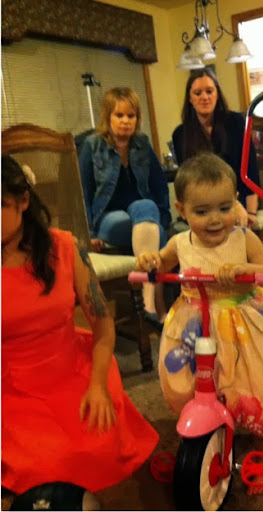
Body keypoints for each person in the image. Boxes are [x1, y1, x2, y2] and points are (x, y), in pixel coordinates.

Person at [136, 152, 263, 495]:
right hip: (194, 323)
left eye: (225, 208)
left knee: (261, 385)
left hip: (241, 322)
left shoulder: (243, 238)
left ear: (236, 202)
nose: (215, 220)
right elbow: (160, 264)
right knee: (193, 384)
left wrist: (247, 270)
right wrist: (150, 260)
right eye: (202, 212)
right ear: (182, 210)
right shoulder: (179, 243)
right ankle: (205, 429)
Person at [1, 155, 158, 502]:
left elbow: (102, 322)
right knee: (46, 462)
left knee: (98, 445)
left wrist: (98, 385)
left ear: (24, 201)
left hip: (71, 369)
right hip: (10, 386)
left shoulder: (65, 247)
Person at [79, 86, 171, 324]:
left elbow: (159, 184)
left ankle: (149, 301)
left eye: (131, 116)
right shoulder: (92, 145)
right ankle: (156, 303)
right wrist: (89, 234)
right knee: (156, 232)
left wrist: (164, 217)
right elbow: (82, 193)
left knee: (148, 210)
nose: (125, 121)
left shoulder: (142, 143)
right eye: (119, 115)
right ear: (107, 116)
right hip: (107, 218)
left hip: (141, 216)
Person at [172, 69, 260, 228]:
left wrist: (251, 212)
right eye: (197, 93)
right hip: (201, 206)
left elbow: (251, 169)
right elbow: (187, 182)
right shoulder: (180, 134)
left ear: (217, 93)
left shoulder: (237, 122)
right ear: (190, 98)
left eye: (209, 91)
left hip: (238, 200)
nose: (204, 97)